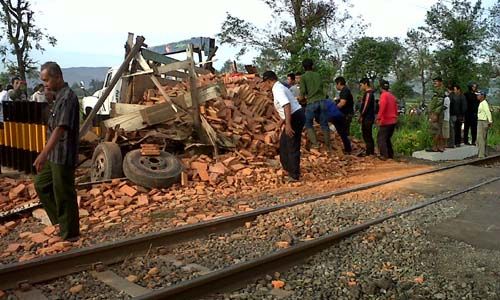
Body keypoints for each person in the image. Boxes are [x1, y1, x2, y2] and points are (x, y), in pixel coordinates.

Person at [34, 62, 80, 241]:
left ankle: (70, 234)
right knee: (41, 184)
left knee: (64, 192)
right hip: (54, 153)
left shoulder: (68, 97)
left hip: (63, 152)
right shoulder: (57, 96)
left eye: (46, 80)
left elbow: (60, 128)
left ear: (58, 77)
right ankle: (61, 222)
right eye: (43, 81)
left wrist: (43, 153)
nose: (44, 83)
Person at [262, 71, 305, 182]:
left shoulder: (277, 89)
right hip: (294, 115)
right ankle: (288, 169)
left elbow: (287, 105)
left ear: (269, 81)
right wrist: (280, 123)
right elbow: (285, 109)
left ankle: (294, 175)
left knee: (292, 145)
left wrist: (288, 125)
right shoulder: (279, 88)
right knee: (284, 144)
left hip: (295, 117)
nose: (264, 85)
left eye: (265, 83)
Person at [299, 58, 331, 151]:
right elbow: (323, 89)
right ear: (312, 66)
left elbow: (302, 92)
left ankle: (315, 144)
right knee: (324, 124)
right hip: (322, 101)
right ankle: (328, 146)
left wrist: (301, 100)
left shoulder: (303, 77)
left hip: (312, 102)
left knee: (308, 123)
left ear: (303, 67)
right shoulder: (318, 75)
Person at [376, 80, 398, 159]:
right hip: (393, 120)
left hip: (386, 121)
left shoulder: (383, 95)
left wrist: (378, 117)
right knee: (387, 138)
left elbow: (382, 107)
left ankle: (384, 155)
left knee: (381, 138)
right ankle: (390, 155)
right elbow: (396, 108)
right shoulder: (392, 96)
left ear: (381, 87)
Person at [427, 76, 445, 152]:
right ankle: (439, 147)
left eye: (436, 81)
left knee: (435, 130)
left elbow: (440, 103)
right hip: (435, 112)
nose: (435, 82)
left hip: (437, 113)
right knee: (438, 130)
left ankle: (435, 147)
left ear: (440, 82)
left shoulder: (440, 90)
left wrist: (435, 113)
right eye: (434, 81)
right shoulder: (437, 90)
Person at [358, 78, 375, 156]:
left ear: (365, 84)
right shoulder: (369, 93)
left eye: (361, 85)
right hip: (368, 117)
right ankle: (370, 151)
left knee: (367, 134)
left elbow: (365, 106)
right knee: (367, 134)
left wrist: (361, 115)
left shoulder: (368, 93)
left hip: (367, 118)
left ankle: (369, 152)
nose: (360, 87)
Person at [476, 91, 492, 158]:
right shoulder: (482, 103)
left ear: (482, 96)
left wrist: (490, 121)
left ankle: (481, 154)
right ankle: (484, 153)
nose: (477, 96)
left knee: (481, 138)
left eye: (478, 95)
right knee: (483, 138)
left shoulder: (484, 103)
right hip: (482, 121)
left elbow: (487, 112)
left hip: (482, 121)